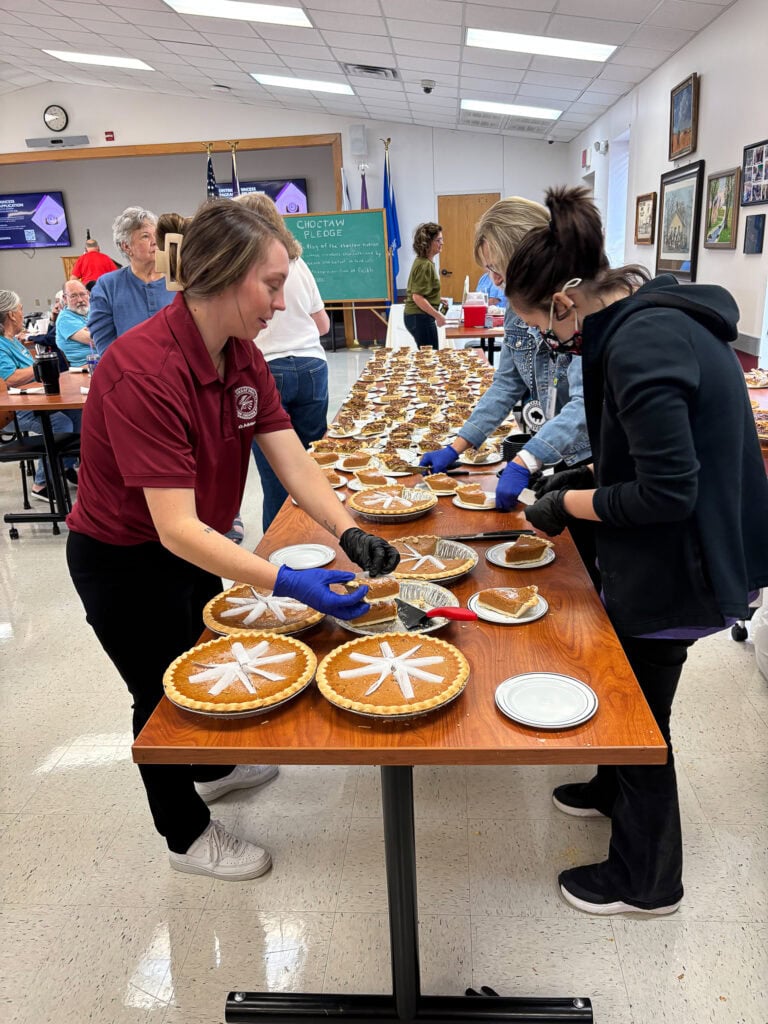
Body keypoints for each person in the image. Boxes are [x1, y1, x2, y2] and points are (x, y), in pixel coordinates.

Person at [65, 200, 400, 883]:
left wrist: (348, 529)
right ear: (220, 275)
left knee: (203, 657)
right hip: (124, 557)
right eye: (272, 285)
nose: (282, 301)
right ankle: (184, 836)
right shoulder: (143, 371)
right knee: (158, 688)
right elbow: (174, 527)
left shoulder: (241, 356)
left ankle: (214, 768)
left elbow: (292, 459)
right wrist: (285, 582)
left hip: (190, 545)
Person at [505, 185, 768, 917]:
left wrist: (565, 501)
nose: (550, 346)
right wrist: (575, 474)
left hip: (688, 563)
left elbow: (666, 493)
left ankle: (648, 881)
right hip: (681, 546)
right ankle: (608, 786)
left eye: (541, 329)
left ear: (564, 301)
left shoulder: (641, 342)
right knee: (631, 693)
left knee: (638, 715)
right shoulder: (640, 321)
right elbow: (638, 454)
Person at [419, 197, 591, 514]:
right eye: (488, 270)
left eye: (497, 268)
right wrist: (457, 446)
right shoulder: (516, 307)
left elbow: (585, 405)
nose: (495, 280)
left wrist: (528, 458)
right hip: (551, 449)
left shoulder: (582, 307)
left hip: (588, 457)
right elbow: (506, 385)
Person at [234, 192, 330, 531]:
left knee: (275, 473)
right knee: (314, 460)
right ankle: (320, 535)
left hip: (268, 369)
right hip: (311, 366)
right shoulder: (297, 263)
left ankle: (279, 547)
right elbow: (324, 325)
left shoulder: (246, 267)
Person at [0, 289, 81, 498]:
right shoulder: (1, 344)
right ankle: (42, 483)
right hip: (14, 410)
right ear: (11, 315)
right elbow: (9, 378)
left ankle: (64, 466)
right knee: (61, 424)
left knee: (78, 415)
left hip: (34, 400)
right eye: (20, 310)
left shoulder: (13, 342)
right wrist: (42, 366)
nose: (21, 314)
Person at [88, 207, 173, 357]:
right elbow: (105, 346)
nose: (155, 242)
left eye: (157, 235)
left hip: (179, 373)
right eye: (146, 236)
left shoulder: (179, 280)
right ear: (126, 246)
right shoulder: (107, 286)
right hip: (130, 374)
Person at [403, 222, 446, 349]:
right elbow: (417, 297)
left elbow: (422, 292)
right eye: (438, 240)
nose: (442, 243)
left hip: (418, 316)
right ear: (427, 243)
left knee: (429, 355)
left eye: (441, 239)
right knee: (430, 358)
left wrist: (437, 299)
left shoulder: (424, 262)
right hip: (419, 317)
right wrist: (437, 315)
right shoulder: (425, 265)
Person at [55, 279, 93, 367]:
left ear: (88, 293)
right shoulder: (65, 319)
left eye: (82, 294)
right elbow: (96, 340)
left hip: (105, 360)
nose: (80, 300)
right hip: (85, 366)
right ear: (64, 298)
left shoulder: (93, 310)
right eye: (73, 296)